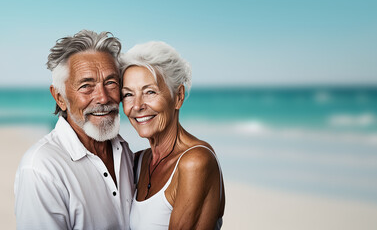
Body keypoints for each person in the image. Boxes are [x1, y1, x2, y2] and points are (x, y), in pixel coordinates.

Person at [14, 30, 134, 229]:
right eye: (86, 86)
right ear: (60, 97)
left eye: (111, 82)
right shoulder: (41, 168)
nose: (103, 98)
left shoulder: (125, 152)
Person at [121, 41, 225, 230]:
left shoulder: (195, 162)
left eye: (150, 92)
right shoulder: (139, 161)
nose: (137, 106)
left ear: (178, 97)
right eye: (128, 95)